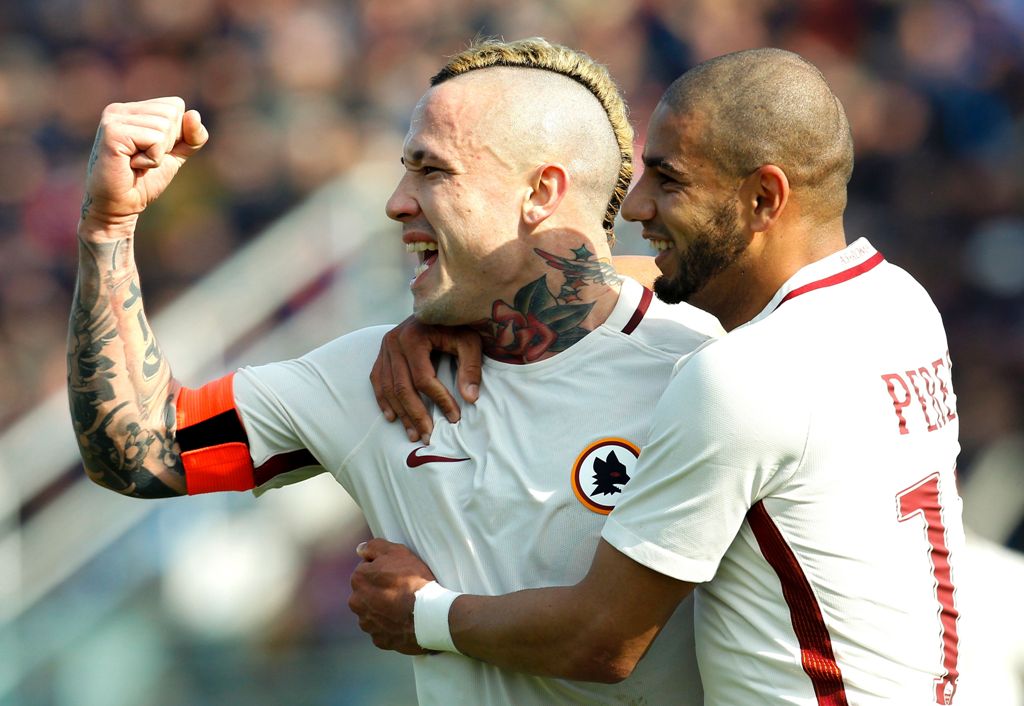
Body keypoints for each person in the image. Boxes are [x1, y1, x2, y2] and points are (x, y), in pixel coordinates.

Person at [66, 38, 722, 704]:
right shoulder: (375, 378)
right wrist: (108, 225)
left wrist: (425, 615)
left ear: (541, 191)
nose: (396, 203)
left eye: (430, 170)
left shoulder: (710, 364)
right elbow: (139, 451)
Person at [349, 47, 968, 705]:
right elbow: (678, 286)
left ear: (763, 197)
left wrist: (419, 612)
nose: (637, 208)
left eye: (668, 181)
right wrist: (483, 293)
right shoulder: (900, 304)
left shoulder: (741, 378)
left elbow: (602, 637)